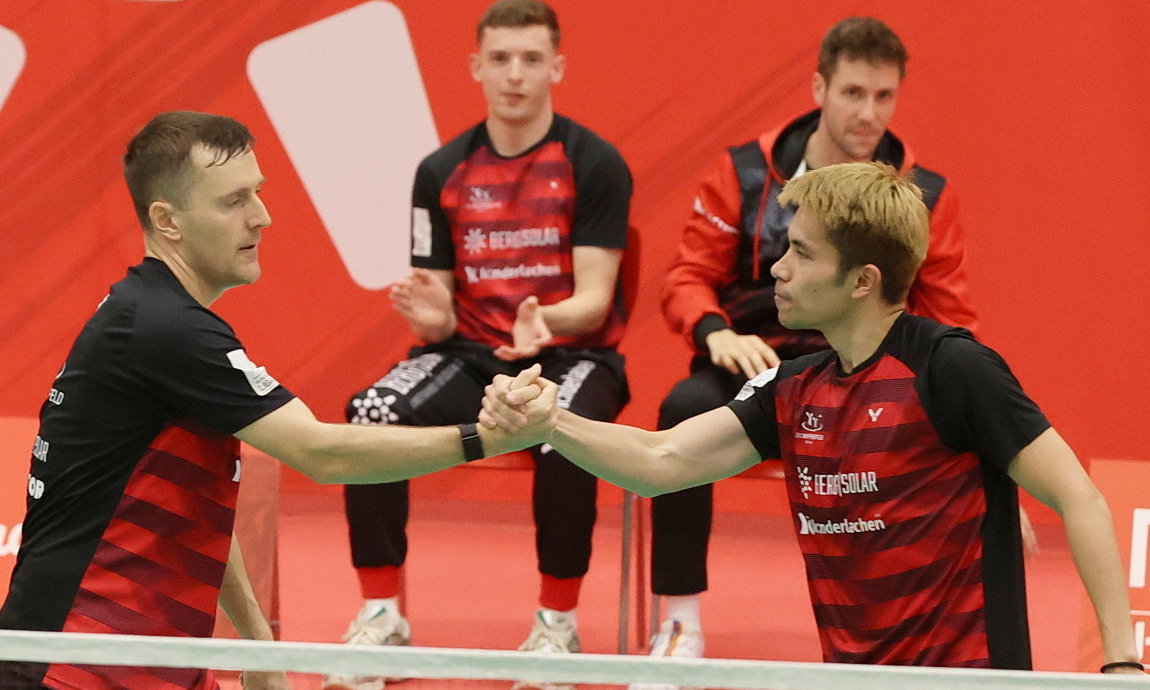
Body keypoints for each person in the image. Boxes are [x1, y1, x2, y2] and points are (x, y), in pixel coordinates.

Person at [481, 161, 1146, 676]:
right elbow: (663, 461)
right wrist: (551, 425)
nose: (778, 267)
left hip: (968, 680)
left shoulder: (951, 368)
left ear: (862, 281)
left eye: (802, 253)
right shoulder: (794, 388)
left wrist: (1120, 663)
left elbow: (1078, 498)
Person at [0, 111, 525, 690]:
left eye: (257, 192)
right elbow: (323, 454)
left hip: (142, 657)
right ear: (167, 221)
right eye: (233, 201)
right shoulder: (164, 329)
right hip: (73, 661)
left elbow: (191, 499)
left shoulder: (152, 316)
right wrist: (487, 438)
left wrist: (256, 641)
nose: (261, 216)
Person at [647, 17, 1021, 677]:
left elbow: (951, 318)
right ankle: (679, 622)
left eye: (883, 96)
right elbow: (686, 277)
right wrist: (715, 332)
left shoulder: (923, 195)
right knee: (682, 408)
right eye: (852, 93)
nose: (868, 113)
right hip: (755, 363)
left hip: (869, 378)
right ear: (819, 88)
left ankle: (903, 644)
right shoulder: (741, 172)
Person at [328, 1, 632, 689]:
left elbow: (596, 299)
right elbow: (436, 315)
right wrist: (433, 319)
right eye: (500, 59)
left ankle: (556, 625)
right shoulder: (440, 170)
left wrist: (544, 320)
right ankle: (381, 614)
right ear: (476, 67)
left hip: (572, 354)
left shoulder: (595, 163)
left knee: (563, 431)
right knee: (369, 413)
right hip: (471, 356)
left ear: (557, 66)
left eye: (531, 59)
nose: (515, 74)